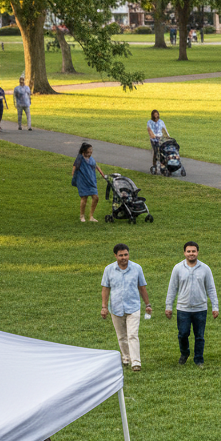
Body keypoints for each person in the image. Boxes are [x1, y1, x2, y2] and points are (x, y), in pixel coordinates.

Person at [165, 241, 219, 367]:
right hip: (183, 309)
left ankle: (199, 359)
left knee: (199, 335)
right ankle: (184, 353)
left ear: (197, 252)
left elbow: (211, 288)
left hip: (200, 308)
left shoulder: (205, 269)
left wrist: (215, 307)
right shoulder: (178, 268)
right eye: (188, 251)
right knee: (183, 333)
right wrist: (169, 306)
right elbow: (172, 288)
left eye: (193, 251)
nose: (191, 254)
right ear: (184, 253)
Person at [101, 243, 150, 372]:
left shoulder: (137, 268)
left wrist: (147, 304)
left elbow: (142, 287)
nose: (124, 258)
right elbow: (105, 289)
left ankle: (136, 362)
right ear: (115, 256)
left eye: (126, 254)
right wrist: (104, 307)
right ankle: (126, 357)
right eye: (121, 255)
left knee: (132, 335)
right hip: (116, 308)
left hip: (133, 306)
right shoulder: (109, 270)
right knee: (121, 336)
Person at [72, 142, 107, 223]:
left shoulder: (91, 159)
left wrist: (102, 174)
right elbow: (74, 168)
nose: (90, 152)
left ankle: (91, 216)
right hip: (83, 181)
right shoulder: (80, 158)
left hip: (91, 181)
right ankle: (82, 216)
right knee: (84, 198)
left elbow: (96, 166)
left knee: (96, 197)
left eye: (91, 150)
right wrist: (75, 178)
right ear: (83, 151)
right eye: (88, 151)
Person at [147, 110, 169, 174]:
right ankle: (155, 166)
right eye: (155, 114)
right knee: (156, 152)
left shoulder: (161, 122)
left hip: (160, 139)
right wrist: (152, 135)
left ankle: (163, 166)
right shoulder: (150, 122)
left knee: (162, 153)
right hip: (154, 140)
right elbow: (149, 129)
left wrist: (167, 136)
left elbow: (164, 130)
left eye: (157, 114)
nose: (156, 116)